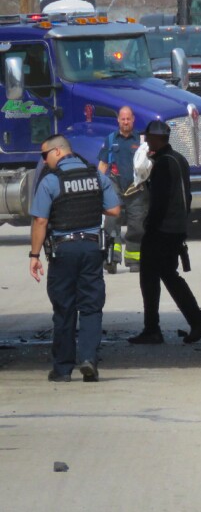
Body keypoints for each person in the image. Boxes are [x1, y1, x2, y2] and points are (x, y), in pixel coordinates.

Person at [29, 135, 121, 382]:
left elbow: (40, 220)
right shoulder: (96, 177)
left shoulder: (51, 182)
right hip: (92, 249)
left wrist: (34, 255)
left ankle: (62, 369)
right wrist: (91, 204)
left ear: (58, 152)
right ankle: (89, 359)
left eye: (44, 154)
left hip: (64, 251)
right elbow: (114, 209)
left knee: (65, 308)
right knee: (91, 306)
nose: (43, 160)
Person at [128, 120, 201, 345]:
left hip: (163, 230)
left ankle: (157, 328)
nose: (145, 141)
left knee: (152, 277)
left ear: (157, 138)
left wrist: (151, 226)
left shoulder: (165, 163)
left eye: (148, 137)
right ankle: (195, 320)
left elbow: (160, 201)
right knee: (167, 275)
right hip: (175, 228)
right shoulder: (178, 159)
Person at [97, 106, 146, 273]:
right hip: (114, 185)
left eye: (128, 119)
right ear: (118, 120)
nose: (125, 122)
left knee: (137, 224)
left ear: (133, 120)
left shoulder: (141, 140)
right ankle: (111, 258)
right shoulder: (111, 140)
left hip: (136, 187)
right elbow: (103, 164)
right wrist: (96, 186)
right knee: (111, 222)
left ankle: (134, 260)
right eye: (123, 119)